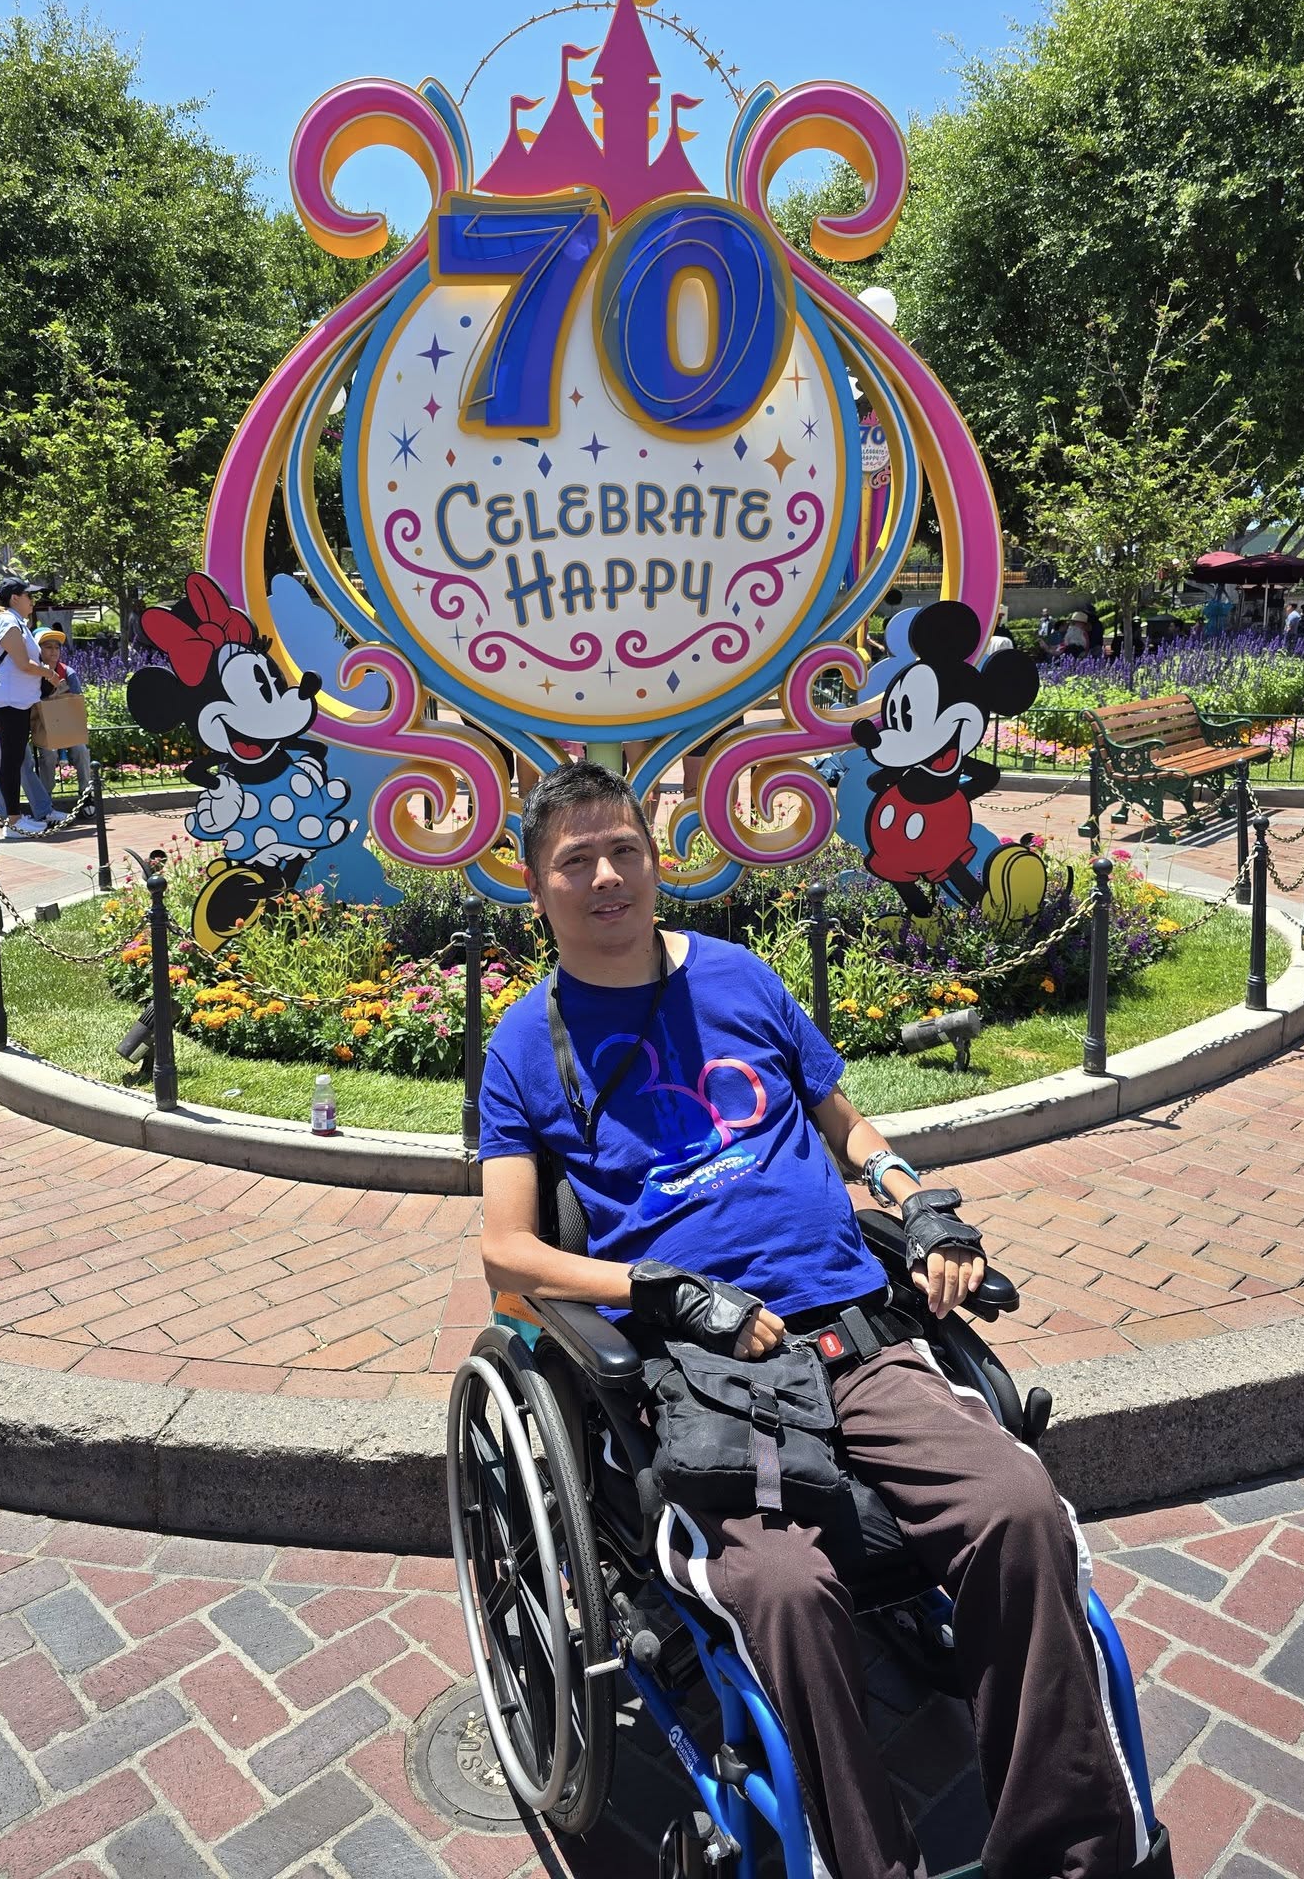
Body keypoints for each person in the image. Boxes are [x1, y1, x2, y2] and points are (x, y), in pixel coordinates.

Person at [478, 761, 1148, 1879]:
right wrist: (658, 1289)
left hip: (851, 1330)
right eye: (575, 861)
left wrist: (911, 1196)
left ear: (656, 859)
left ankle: (1068, 1854)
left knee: (1020, 1504)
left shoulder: (739, 976)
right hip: (709, 1373)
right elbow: (506, 1250)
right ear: (535, 884)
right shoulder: (521, 1046)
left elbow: (846, 1123)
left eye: (624, 851)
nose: (606, 878)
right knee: (784, 1592)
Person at [0, 579, 63, 837]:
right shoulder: (7, 621)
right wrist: (49, 674)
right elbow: (23, 663)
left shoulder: (14, 621)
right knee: (11, 760)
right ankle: (13, 821)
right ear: (15, 598)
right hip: (10, 700)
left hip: (15, 700)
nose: (32, 600)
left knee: (13, 759)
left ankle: (14, 818)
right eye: (29, 595)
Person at [32, 629, 93, 803]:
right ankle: (46, 798)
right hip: (44, 727)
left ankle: (86, 794)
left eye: (57, 647)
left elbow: (77, 702)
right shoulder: (32, 673)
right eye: (48, 647)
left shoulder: (68, 672)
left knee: (81, 750)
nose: (54, 651)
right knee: (49, 754)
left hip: (67, 724)